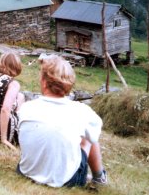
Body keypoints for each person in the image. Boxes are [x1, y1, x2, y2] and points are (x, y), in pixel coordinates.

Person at [17, 54, 108, 188]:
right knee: (89, 137)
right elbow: (95, 135)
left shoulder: (27, 107)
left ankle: (42, 168)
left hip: (26, 172)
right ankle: (99, 177)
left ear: (43, 81)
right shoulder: (82, 111)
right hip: (66, 181)